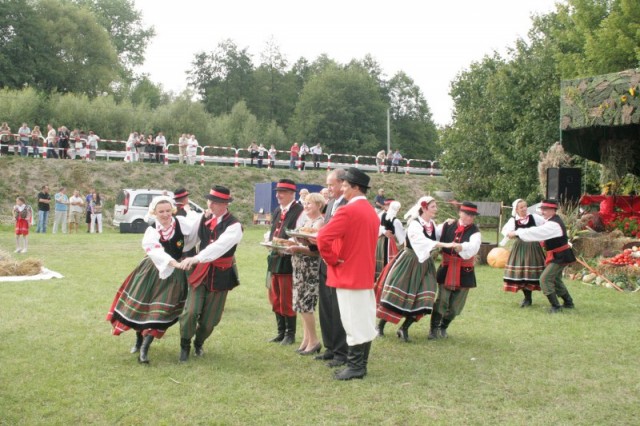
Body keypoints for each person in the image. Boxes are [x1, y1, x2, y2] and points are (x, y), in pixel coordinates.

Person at [107, 196, 199, 363]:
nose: (165, 214)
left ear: (173, 210)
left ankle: (144, 348)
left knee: (160, 311)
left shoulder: (180, 223)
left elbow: (196, 228)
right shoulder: (152, 230)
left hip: (174, 275)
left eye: (168, 210)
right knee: (143, 306)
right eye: (161, 211)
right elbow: (155, 251)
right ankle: (139, 340)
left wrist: (206, 215)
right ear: (154, 213)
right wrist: (174, 263)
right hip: (152, 270)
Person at [316, 167, 379, 380]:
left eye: (345, 185)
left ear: (356, 187)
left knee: (353, 322)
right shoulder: (370, 211)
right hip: (364, 274)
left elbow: (323, 237)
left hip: (348, 275)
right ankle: (360, 364)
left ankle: (355, 366)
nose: (342, 189)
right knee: (364, 321)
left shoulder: (348, 210)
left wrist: (332, 260)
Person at [177, 186, 243, 362]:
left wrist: (196, 258)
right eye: (209, 201)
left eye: (215, 202)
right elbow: (191, 238)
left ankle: (199, 343)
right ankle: (184, 345)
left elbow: (218, 247)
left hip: (220, 275)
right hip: (200, 272)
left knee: (210, 320)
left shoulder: (234, 226)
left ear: (225, 204)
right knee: (190, 312)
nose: (210, 205)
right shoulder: (204, 218)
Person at [376, 197, 453, 341]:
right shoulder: (414, 224)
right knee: (398, 294)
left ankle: (404, 328)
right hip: (409, 261)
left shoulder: (431, 224)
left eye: (435, 206)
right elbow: (422, 241)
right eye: (433, 207)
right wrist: (445, 245)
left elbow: (436, 233)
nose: (436, 209)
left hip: (425, 264)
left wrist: (446, 224)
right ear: (424, 208)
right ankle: (380, 326)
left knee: (426, 297)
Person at [507, 199, 576, 313]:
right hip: (558, 255)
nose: (542, 212)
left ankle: (556, 306)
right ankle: (568, 302)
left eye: (545, 209)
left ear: (553, 210)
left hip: (560, 256)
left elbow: (536, 232)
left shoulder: (553, 224)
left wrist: (516, 232)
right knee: (555, 279)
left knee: (544, 279)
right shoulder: (550, 221)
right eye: (542, 209)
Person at [430, 202, 482, 339]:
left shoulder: (475, 232)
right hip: (446, 268)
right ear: (460, 213)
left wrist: (462, 247)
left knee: (455, 307)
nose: (470, 217)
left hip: (465, 271)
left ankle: (443, 327)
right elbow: (430, 232)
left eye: (472, 215)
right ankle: (433, 329)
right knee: (442, 300)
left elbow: (474, 246)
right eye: (467, 214)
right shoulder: (447, 225)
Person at [313, 169, 349, 366]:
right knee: (326, 308)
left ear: (342, 184)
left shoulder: (348, 205)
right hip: (324, 262)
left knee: (338, 309)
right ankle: (330, 347)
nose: (328, 189)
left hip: (338, 263)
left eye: (331, 185)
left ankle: (341, 352)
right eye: (327, 185)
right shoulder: (331, 204)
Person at [265, 179, 304, 345]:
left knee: (286, 297)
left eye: (282, 192)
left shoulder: (299, 211)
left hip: (289, 259)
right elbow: (273, 232)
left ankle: (290, 333)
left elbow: (300, 235)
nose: (278, 195)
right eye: (277, 192)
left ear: (291, 194)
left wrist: (286, 244)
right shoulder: (277, 211)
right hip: (274, 258)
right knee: (275, 296)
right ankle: (280, 332)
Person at [286, 193, 325, 355]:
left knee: (306, 304)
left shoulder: (320, 222)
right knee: (300, 305)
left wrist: (298, 248)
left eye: (310, 203)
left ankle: (314, 341)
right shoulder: (307, 222)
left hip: (309, 267)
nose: (306, 206)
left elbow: (316, 251)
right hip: (300, 266)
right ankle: (306, 339)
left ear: (319, 205)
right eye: (305, 203)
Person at [500, 199, 546, 307]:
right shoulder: (513, 220)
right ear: (516, 209)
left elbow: (545, 224)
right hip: (520, 247)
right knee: (522, 273)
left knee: (532, 273)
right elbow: (506, 232)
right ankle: (527, 298)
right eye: (521, 207)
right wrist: (512, 234)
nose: (524, 209)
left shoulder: (534, 217)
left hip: (533, 247)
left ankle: (550, 296)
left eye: (525, 206)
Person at [374, 200, 405, 282]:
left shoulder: (383, 215)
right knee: (388, 261)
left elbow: (379, 226)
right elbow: (402, 238)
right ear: (398, 209)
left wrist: (384, 231)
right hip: (389, 243)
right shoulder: (396, 221)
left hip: (380, 241)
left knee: (380, 259)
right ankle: (386, 279)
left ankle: (378, 279)